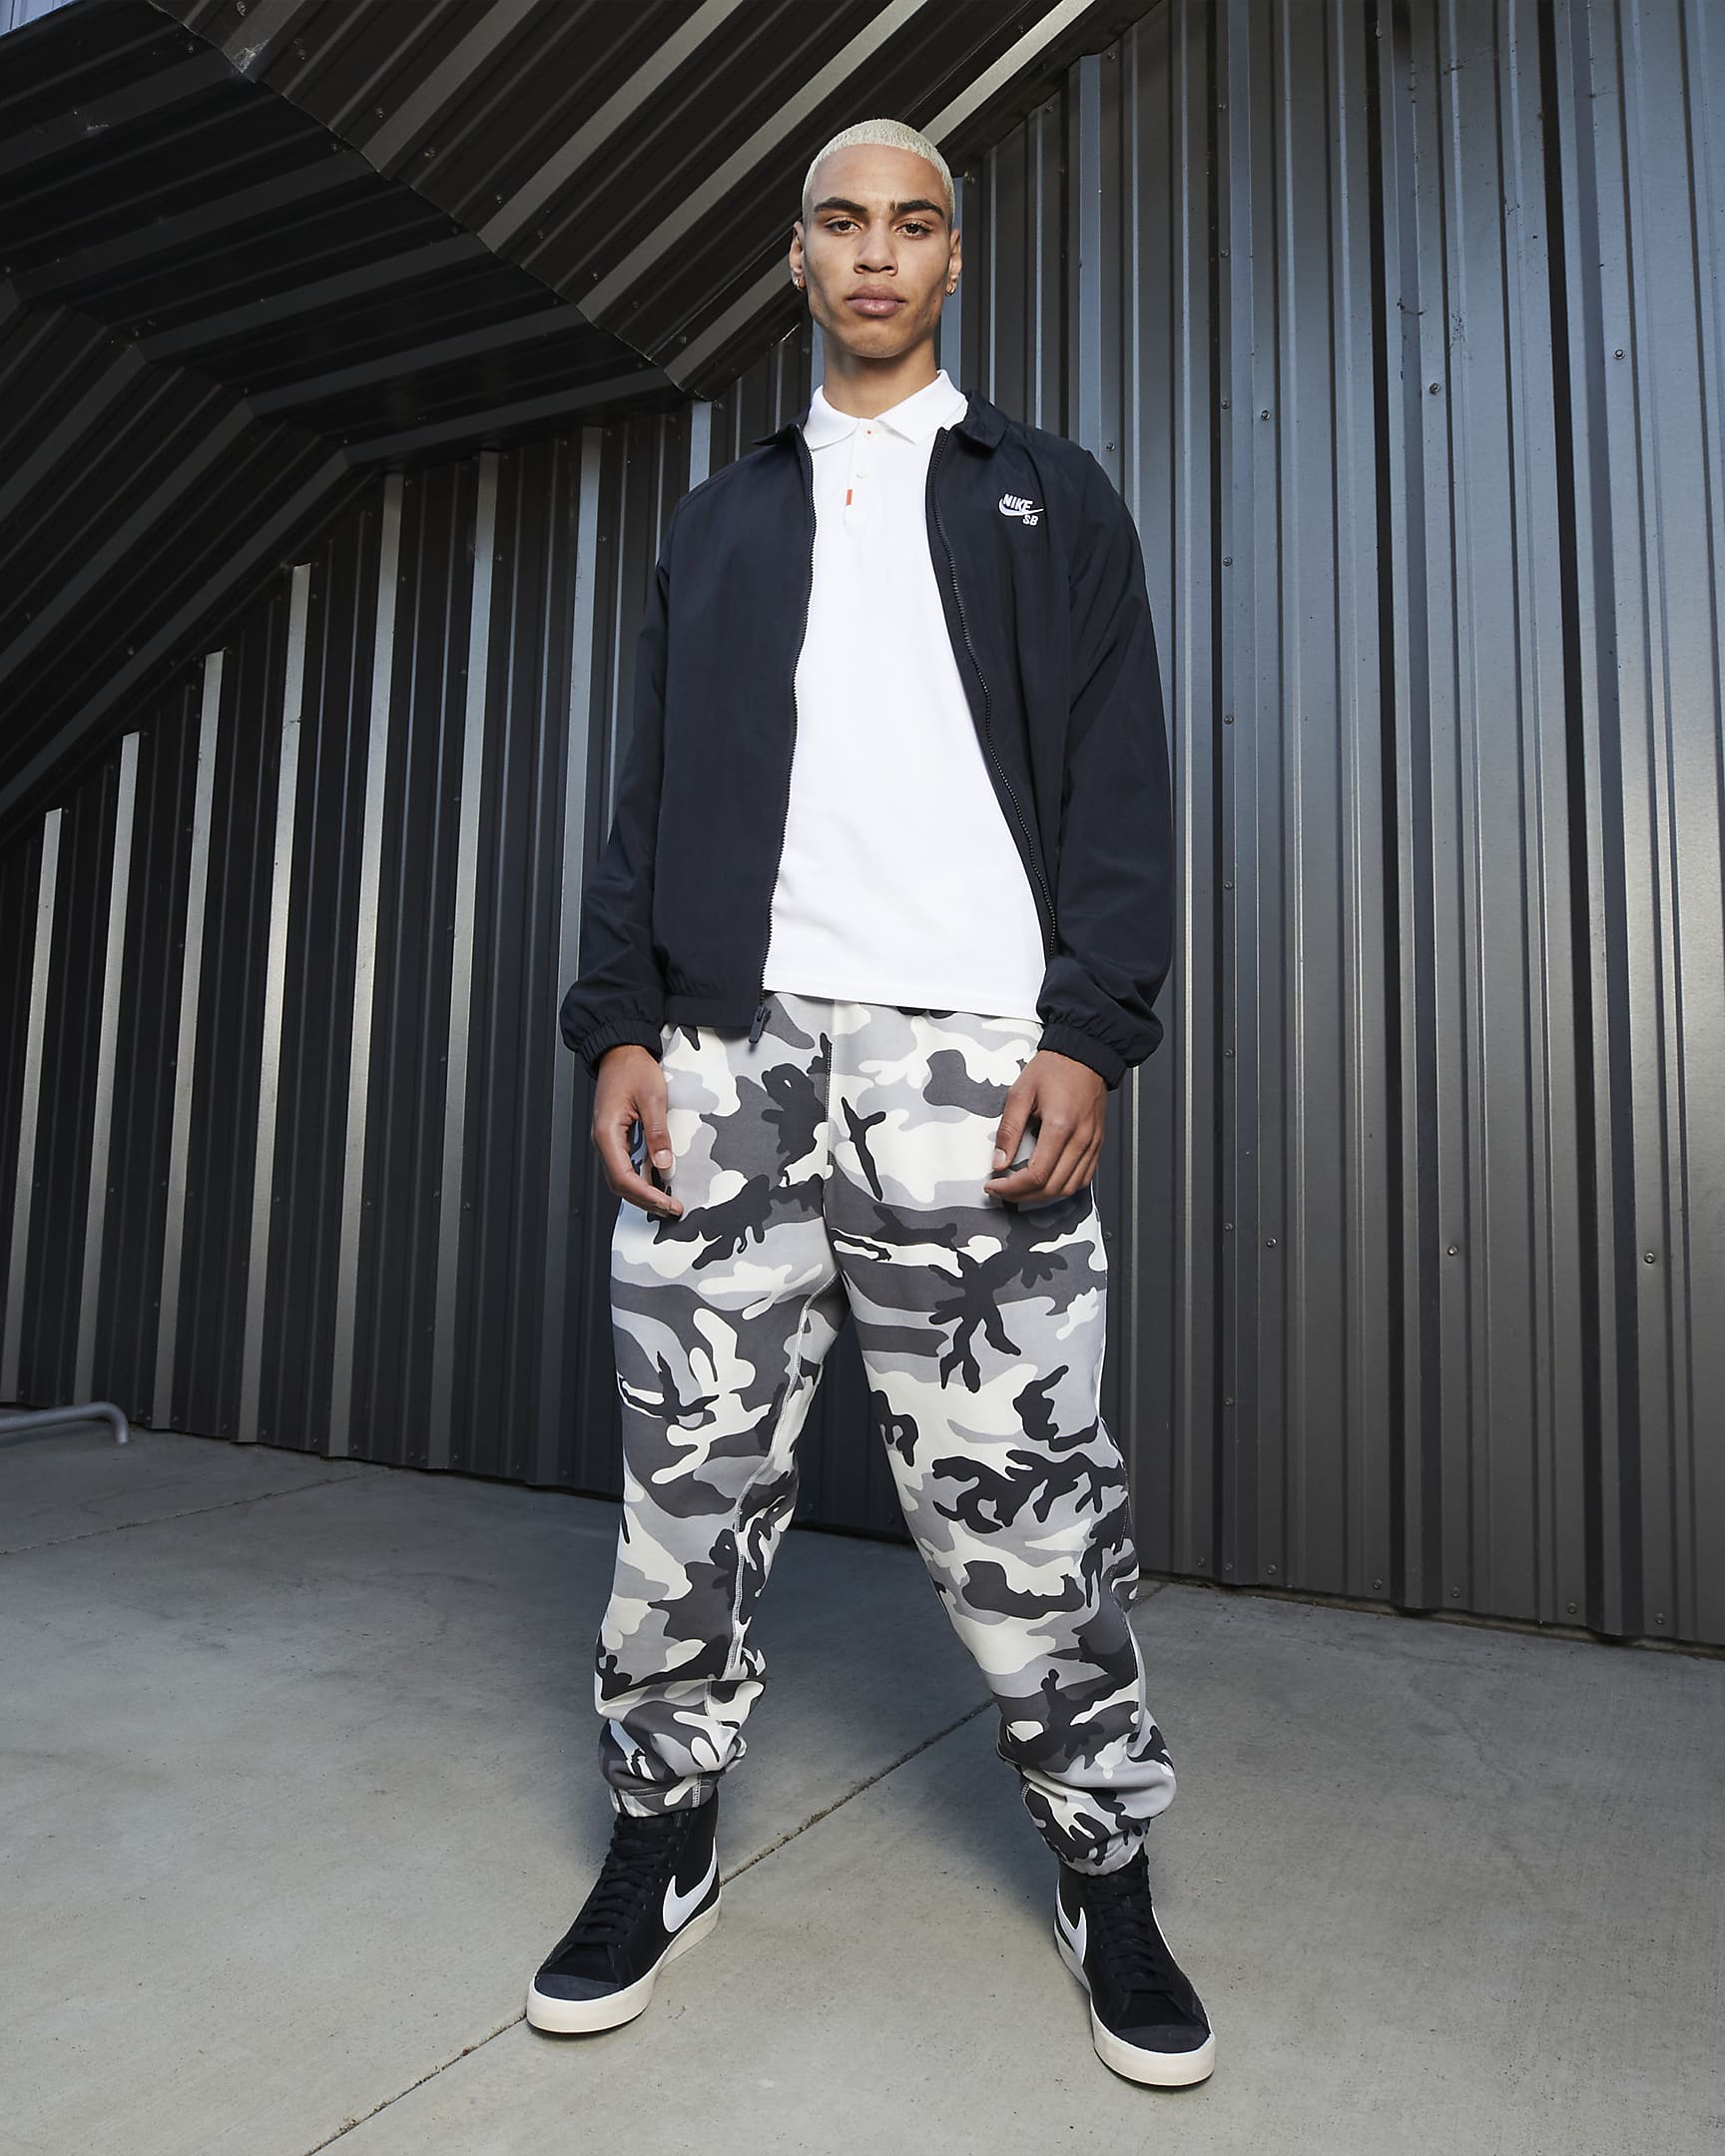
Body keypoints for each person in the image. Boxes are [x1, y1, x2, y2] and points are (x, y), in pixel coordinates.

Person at [531, 117, 1212, 2089]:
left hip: (970, 1059)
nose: (879, 252)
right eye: (843, 221)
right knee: (688, 1485)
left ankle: (1106, 1868)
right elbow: (649, 792)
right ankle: (660, 1835)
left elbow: (1123, 774)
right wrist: (622, 1026)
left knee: (1028, 1498)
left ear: (953, 260)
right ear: (799, 255)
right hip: (730, 1054)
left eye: (915, 223)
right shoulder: (720, 519)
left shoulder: (1048, 497)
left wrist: (1089, 1031)